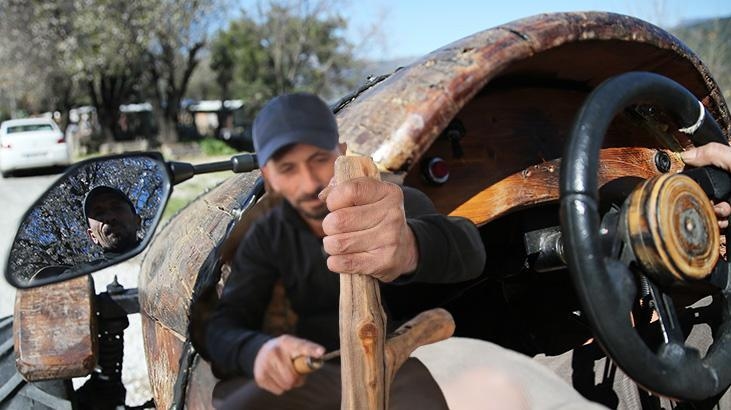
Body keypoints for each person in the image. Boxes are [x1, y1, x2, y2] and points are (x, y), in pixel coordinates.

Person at [205, 92, 487, 409]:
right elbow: (221, 329)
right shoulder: (269, 237)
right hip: (321, 376)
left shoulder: (391, 202)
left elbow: (472, 251)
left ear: (341, 153)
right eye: (287, 169)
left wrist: (409, 246)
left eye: (319, 160)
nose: (309, 182)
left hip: (409, 365)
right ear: (268, 178)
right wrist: (257, 351)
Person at [84, 186, 142, 254]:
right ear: (93, 236)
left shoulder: (157, 251)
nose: (110, 217)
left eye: (117, 208)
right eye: (99, 213)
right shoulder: (90, 265)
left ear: (137, 221)